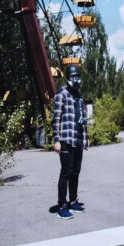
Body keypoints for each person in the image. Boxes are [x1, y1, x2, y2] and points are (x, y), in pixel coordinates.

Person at [51, 64, 89, 219]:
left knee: (75, 172)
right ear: (68, 78)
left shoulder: (78, 95)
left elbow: (83, 119)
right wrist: (56, 140)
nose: (76, 79)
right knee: (66, 172)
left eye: (77, 76)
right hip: (66, 139)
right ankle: (62, 206)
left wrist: (85, 138)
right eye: (73, 76)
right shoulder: (62, 93)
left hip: (78, 139)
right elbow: (56, 118)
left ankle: (73, 201)